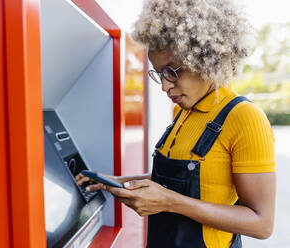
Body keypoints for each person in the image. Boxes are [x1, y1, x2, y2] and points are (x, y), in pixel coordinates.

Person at [76, 0, 276, 247]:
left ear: (205, 59)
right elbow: (181, 183)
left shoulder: (245, 118)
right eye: (159, 73)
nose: (164, 86)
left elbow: (262, 223)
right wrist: (116, 180)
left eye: (172, 71)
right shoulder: (184, 111)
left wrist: (170, 202)